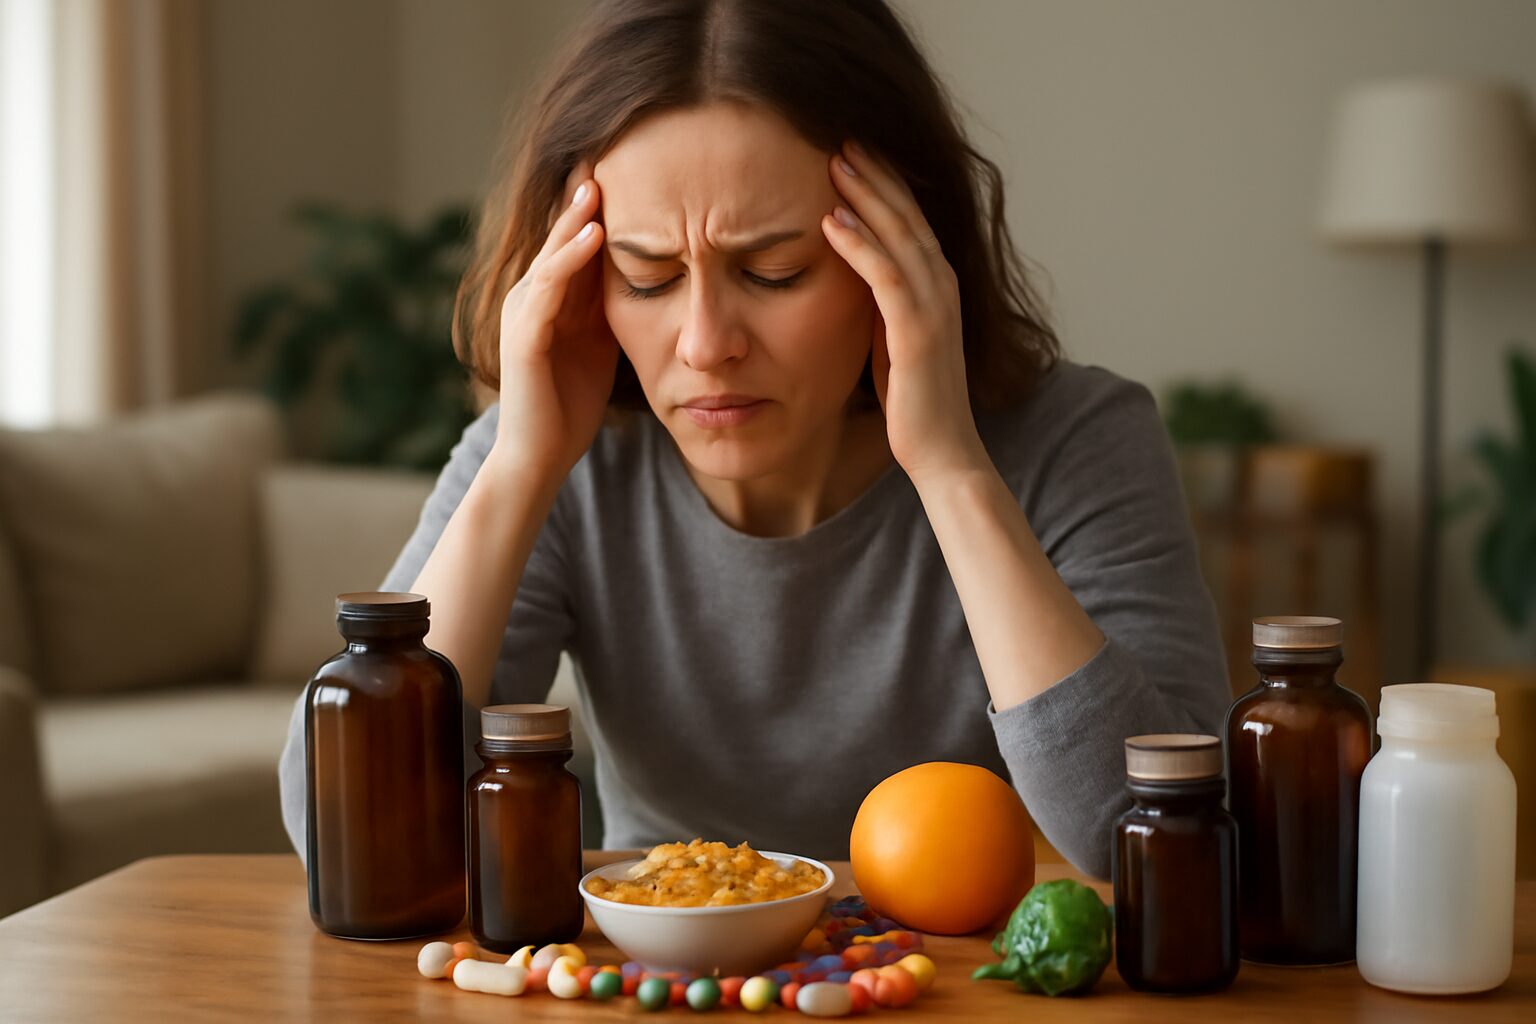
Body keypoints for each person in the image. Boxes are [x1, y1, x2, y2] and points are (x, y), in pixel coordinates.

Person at [279, 0, 1227, 879]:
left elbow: (1158, 839)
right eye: (646, 277)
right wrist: (518, 467)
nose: (704, 345)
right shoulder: (557, 453)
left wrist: (951, 471)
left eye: (774, 271)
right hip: (662, 978)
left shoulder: (1079, 439)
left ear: (902, 249)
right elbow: (339, 831)